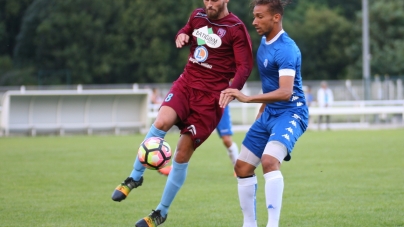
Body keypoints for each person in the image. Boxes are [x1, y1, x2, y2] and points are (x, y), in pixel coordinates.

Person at [111, 0, 253, 226]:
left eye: (214, 0)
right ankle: (134, 177)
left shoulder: (236, 29)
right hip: (186, 85)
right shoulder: (198, 15)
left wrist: (233, 88)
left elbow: (245, 65)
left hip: (209, 100)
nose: (209, 3)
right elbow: (186, 30)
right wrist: (181, 35)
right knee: (161, 122)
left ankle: (161, 212)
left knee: (181, 154)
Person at [220, 0, 309, 226]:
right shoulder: (264, 42)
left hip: (291, 113)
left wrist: (249, 98)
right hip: (269, 113)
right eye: (254, 16)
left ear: (276, 18)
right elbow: (271, 84)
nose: (254, 21)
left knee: (269, 161)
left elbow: (286, 92)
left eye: (260, 16)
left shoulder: (287, 49)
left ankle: (273, 224)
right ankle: (249, 224)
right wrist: (262, 107)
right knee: (242, 167)